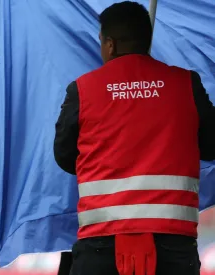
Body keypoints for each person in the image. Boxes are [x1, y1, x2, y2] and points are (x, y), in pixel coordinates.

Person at [53, 1, 215, 275]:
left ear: (111, 44)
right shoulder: (186, 84)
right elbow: (211, 146)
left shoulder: (82, 89)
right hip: (173, 245)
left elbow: (65, 156)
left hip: (100, 244)